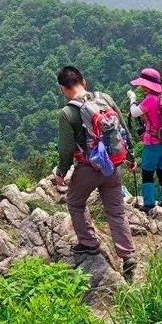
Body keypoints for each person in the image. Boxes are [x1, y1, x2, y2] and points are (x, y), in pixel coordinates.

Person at [55, 66, 138, 282]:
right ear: (84, 81)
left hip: (89, 168)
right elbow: (122, 130)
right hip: (113, 165)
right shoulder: (105, 98)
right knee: (116, 210)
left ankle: (89, 244)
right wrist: (131, 157)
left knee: (75, 201)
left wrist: (61, 171)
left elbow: (66, 148)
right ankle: (127, 255)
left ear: (63, 88)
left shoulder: (68, 113)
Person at [127, 68, 162, 212]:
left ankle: (149, 204)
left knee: (147, 172)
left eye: (144, 85)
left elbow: (134, 113)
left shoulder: (150, 99)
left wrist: (132, 99)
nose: (142, 87)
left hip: (154, 143)